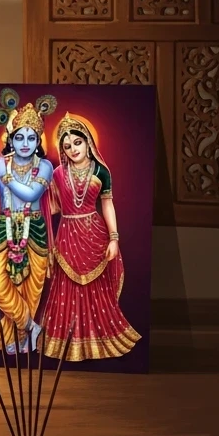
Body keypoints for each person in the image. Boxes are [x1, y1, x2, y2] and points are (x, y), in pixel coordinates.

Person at [41, 113, 141, 361]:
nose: (73, 149)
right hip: (66, 236)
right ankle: (67, 342)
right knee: (66, 288)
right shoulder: (57, 173)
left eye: (77, 142)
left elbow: (107, 204)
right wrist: (28, 193)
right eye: (67, 146)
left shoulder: (101, 171)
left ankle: (99, 338)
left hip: (95, 235)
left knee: (97, 289)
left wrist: (114, 238)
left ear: (88, 141)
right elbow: (53, 207)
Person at [0, 88, 57, 354]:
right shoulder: (1, 165)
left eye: (31, 137)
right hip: (4, 231)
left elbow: (31, 194)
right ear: (11, 139)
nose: (25, 143)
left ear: (38, 141)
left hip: (35, 232)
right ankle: (31, 326)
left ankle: (21, 339)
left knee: (29, 291)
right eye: (19, 137)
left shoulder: (44, 166)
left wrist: (4, 176)